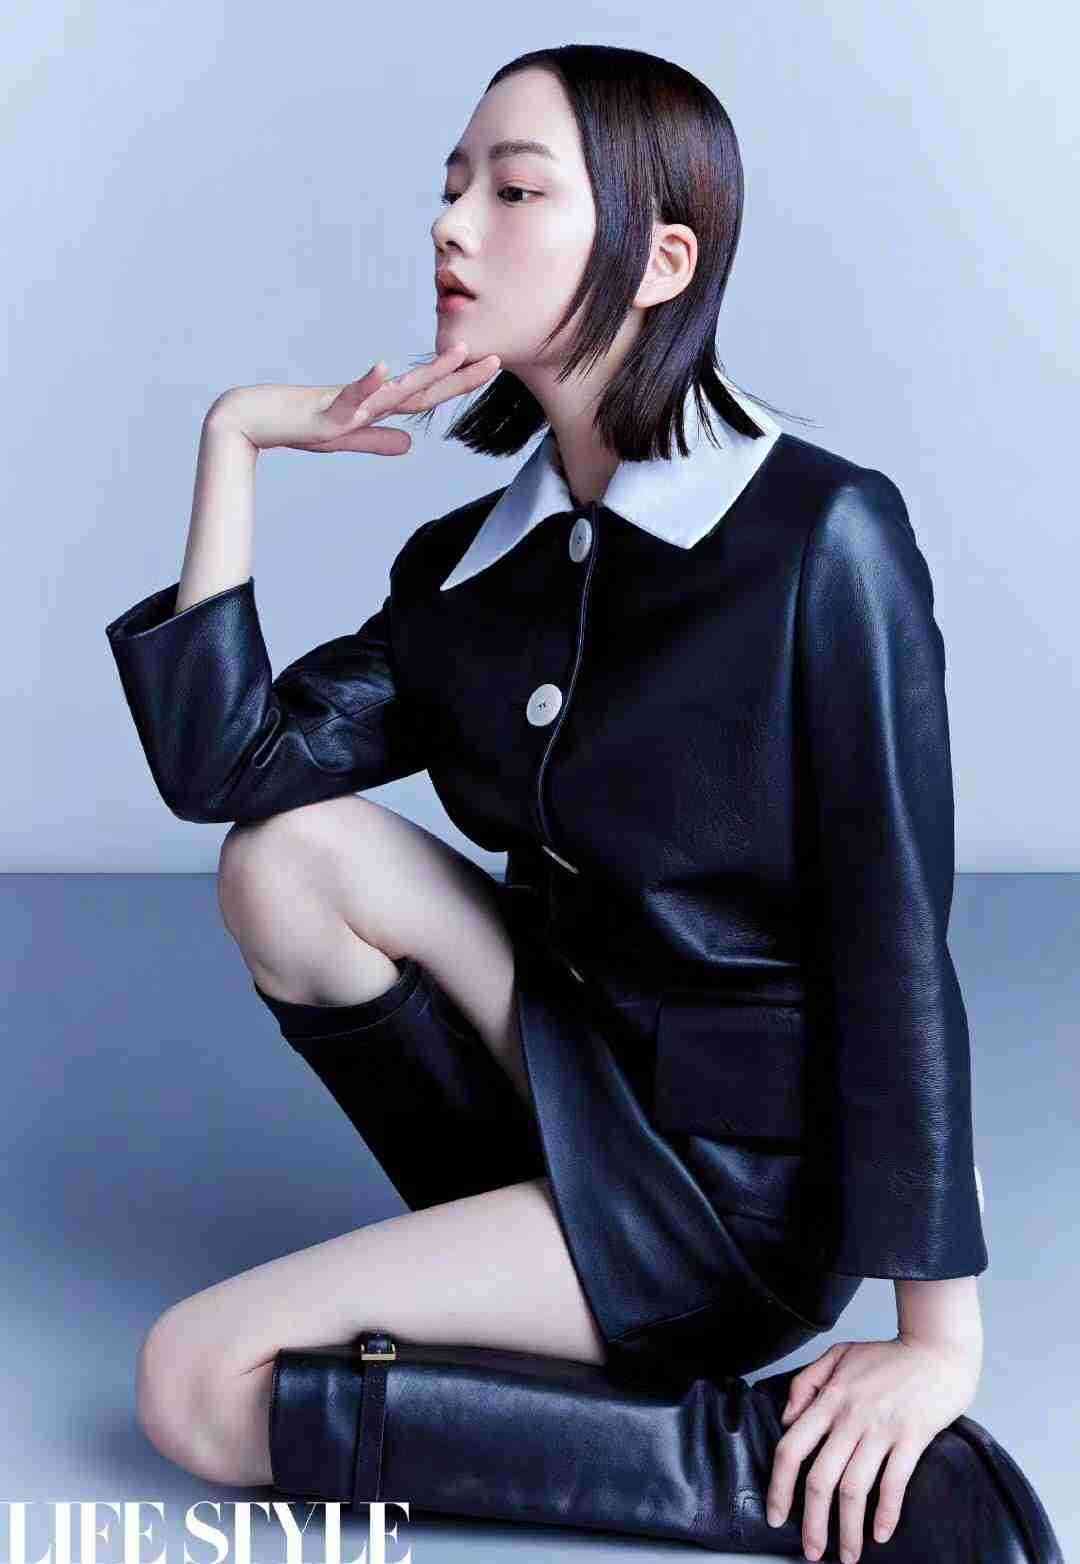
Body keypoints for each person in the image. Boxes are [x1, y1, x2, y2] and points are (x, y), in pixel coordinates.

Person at [105, 43, 1061, 1564]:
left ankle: (749, 1466)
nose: (451, 223)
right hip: (571, 1088)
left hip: (734, 1192)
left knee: (194, 1386)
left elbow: (893, 936)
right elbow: (228, 769)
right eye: (450, 187)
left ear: (662, 260)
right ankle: (529, 1255)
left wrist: (935, 1341)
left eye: (514, 190)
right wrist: (236, 439)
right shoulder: (474, 564)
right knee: (283, 858)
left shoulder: (823, 537)